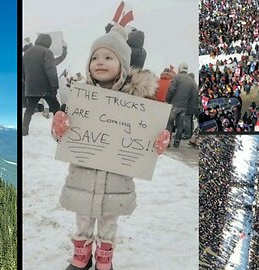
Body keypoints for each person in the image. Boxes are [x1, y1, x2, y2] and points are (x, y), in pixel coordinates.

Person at [51, 24, 170, 270]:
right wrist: (59, 129)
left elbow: (148, 141)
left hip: (117, 180)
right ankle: (81, 255)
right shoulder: (80, 98)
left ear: (123, 66)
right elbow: (65, 139)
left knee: (108, 220)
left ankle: (105, 257)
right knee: (82, 217)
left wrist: (159, 142)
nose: (99, 62)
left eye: (108, 57)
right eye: (95, 57)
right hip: (82, 176)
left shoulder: (138, 103)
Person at [22, 33, 60, 136]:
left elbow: (22, 73)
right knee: (56, 108)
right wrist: (54, 87)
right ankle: (60, 130)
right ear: (48, 43)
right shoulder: (47, 52)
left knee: (29, 110)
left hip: (31, 88)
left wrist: (28, 83)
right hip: (45, 87)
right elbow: (51, 71)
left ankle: (24, 130)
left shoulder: (27, 53)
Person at [166, 62, 198, 147]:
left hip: (174, 104)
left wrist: (168, 100)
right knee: (180, 124)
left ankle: (168, 141)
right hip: (184, 106)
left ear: (180, 69)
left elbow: (171, 90)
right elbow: (194, 95)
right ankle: (177, 142)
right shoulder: (192, 81)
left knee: (170, 123)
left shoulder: (177, 77)